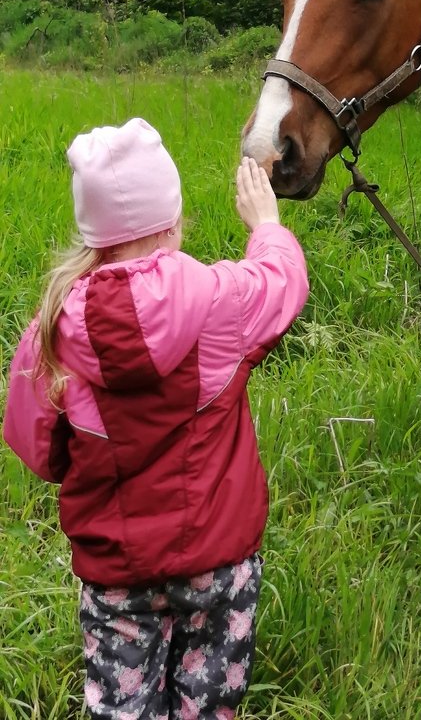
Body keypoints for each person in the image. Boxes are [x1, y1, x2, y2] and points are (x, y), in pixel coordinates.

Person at [3, 117, 309, 719]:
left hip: (117, 577)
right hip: (220, 569)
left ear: (91, 232)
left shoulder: (49, 334)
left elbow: (39, 454)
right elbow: (283, 282)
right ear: (171, 220)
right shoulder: (225, 300)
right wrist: (267, 227)